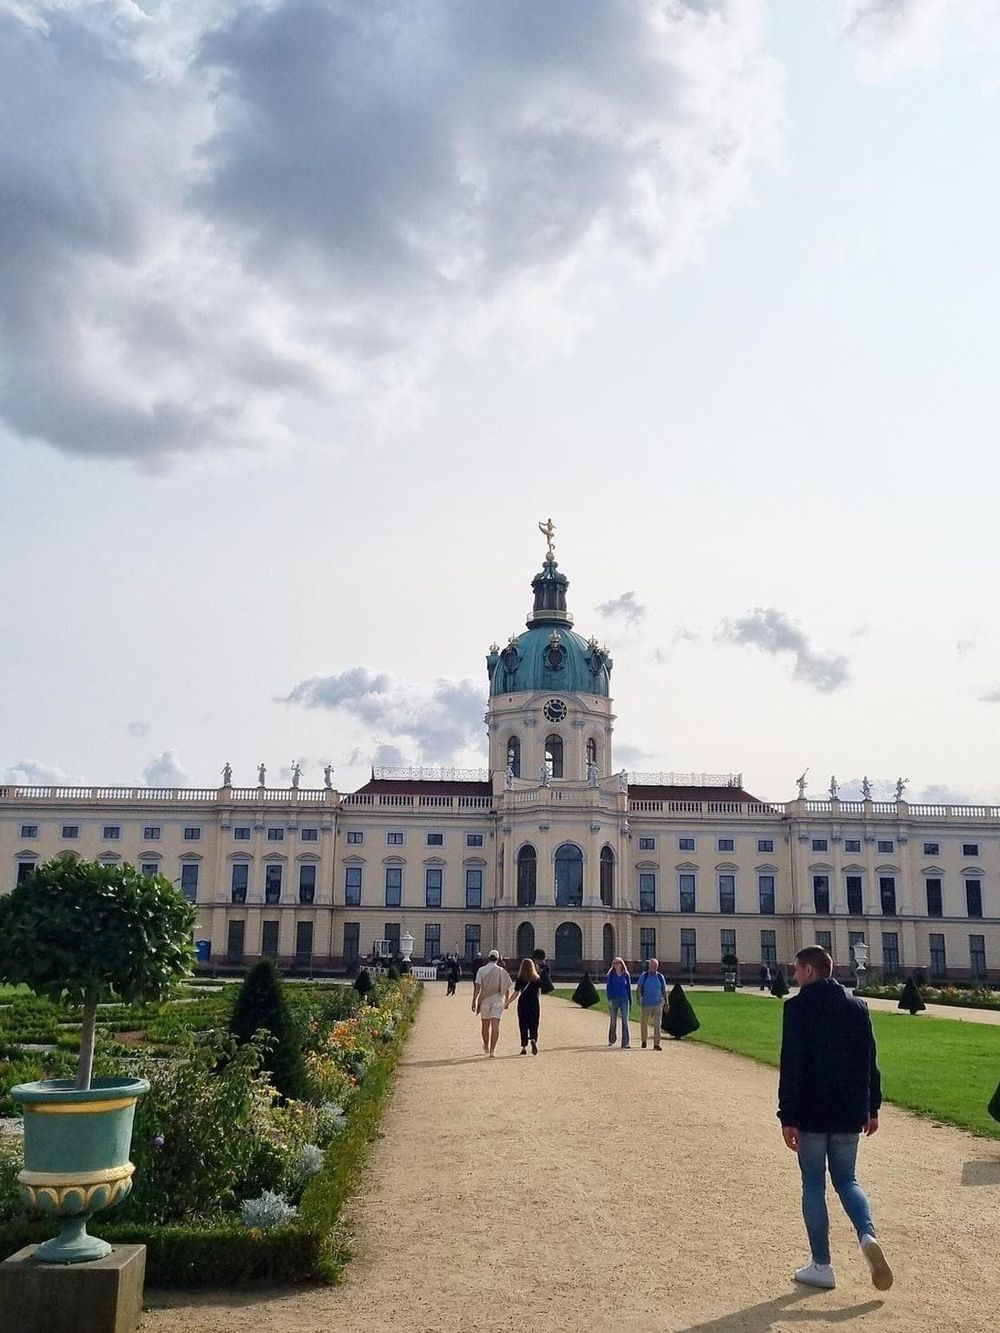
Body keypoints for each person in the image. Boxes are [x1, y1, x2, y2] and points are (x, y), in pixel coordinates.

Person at [778, 946, 892, 1293]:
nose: (794, 976)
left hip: (811, 1111)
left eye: (797, 970)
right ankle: (867, 1234)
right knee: (848, 1181)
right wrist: (872, 1107)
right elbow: (870, 1061)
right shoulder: (858, 1006)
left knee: (814, 1184)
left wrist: (787, 1115)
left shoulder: (797, 1008)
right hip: (848, 1111)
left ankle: (822, 1266)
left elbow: (792, 1065)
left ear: (810, 971)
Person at [472, 949, 513, 1057]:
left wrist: (474, 1001)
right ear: (498, 959)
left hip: (484, 1000)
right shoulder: (501, 971)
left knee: (485, 1025)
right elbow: (506, 987)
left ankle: (486, 1046)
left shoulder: (481, 970)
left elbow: (477, 987)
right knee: (496, 1025)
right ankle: (492, 1050)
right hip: (498, 1000)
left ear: (488, 957)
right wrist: (507, 1001)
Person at [508, 957, 542, 1054]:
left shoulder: (520, 979)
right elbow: (539, 993)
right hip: (534, 1003)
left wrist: (508, 1002)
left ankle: (523, 1046)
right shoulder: (537, 979)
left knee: (523, 1024)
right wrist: (535, 1000)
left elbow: (516, 993)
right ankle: (533, 1039)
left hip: (523, 1003)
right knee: (534, 1023)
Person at [635, 958, 667, 1050]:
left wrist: (666, 1003)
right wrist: (638, 999)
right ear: (649, 966)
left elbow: (664, 990)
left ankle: (656, 1043)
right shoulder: (644, 976)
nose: (654, 968)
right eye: (653, 966)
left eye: (656, 966)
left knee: (657, 1024)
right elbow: (638, 989)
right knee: (644, 1023)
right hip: (646, 1004)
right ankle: (644, 1039)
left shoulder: (660, 977)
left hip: (657, 1004)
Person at [605, 957, 632, 1049]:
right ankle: (611, 1040)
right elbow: (608, 988)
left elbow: (629, 988)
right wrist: (609, 1000)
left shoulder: (626, 975)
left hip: (624, 999)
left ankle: (625, 1043)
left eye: (617, 963)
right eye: (614, 963)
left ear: (621, 964)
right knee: (613, 1020)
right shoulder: (611, 975)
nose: (615, 965)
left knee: (625, 1020)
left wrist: (630, 1001)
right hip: (614, 999)